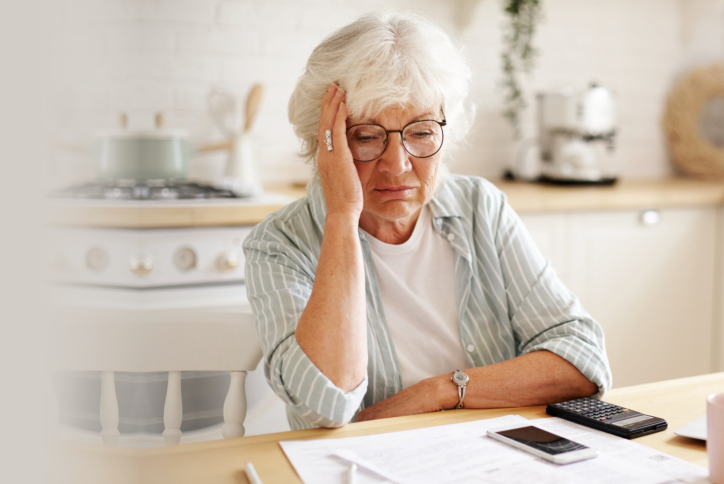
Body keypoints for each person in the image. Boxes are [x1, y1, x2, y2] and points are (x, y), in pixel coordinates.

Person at [244, 11, 611, 430]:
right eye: (365, 136)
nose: (397, 165)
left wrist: (440, 392)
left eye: (420, 132)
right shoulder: (278, 243)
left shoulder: (480, 208)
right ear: (324, 141)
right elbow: (323, 406)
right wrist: (342, 217)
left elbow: (582, 361)